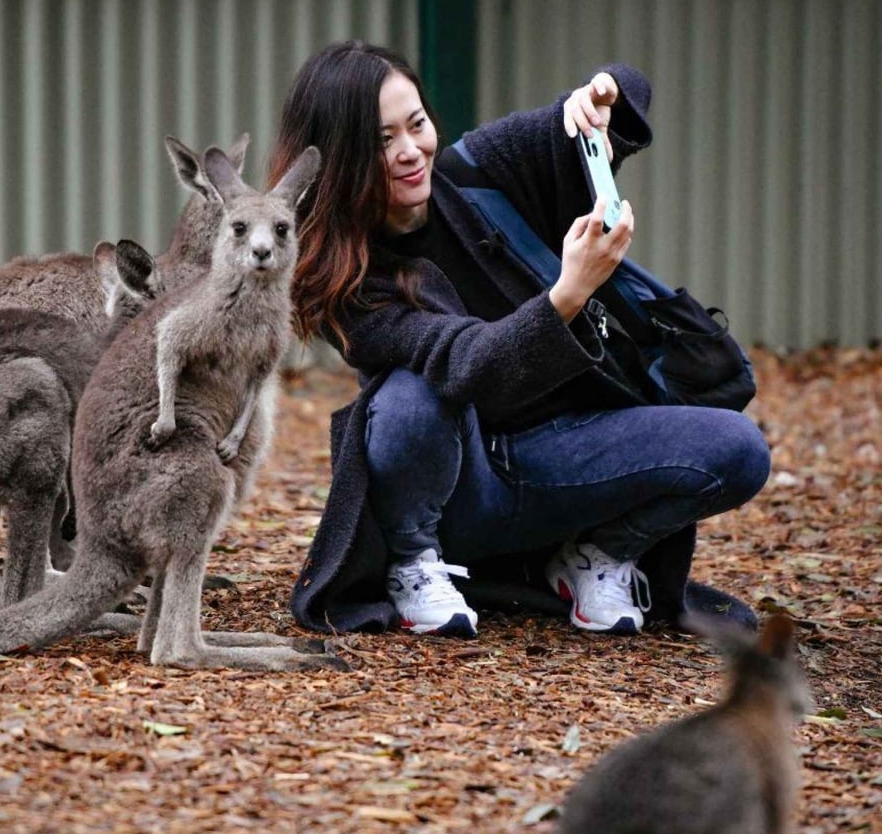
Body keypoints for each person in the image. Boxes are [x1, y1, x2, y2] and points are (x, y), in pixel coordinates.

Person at [269, 41, 770, 639]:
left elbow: (602, 102)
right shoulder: (348, 278)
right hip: (462, 485)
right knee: (406, 398)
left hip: (574, 454)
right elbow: (467, 365)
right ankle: (414, 561)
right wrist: (569, 293)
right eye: (381, 141)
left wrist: (600, 95)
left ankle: (596, 555)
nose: (410, 152)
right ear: (343, 156)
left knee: (740, 449)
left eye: (417, 124)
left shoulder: (480, 171)